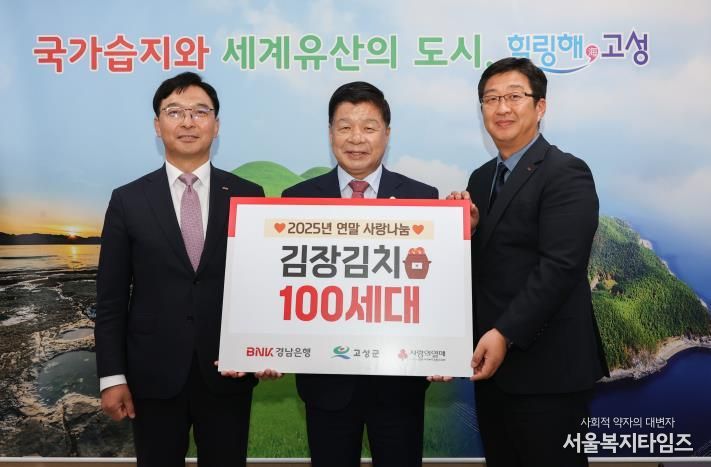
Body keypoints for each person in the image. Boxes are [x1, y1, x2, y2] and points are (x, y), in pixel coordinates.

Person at [94, 72, 265, 467]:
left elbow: (259, 288)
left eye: (200, 112)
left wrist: (258, 349)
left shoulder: (248, 195)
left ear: (216, 125)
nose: (188, 122)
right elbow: (111, 299)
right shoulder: (128, 200)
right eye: (175, 112)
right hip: (152, 376)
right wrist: (112, 377)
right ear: (158, 125)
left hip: (227, 373)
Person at [448, 57, 609, 467]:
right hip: (494, 373)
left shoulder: (566, 172)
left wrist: (504, 334)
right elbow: (491, 263)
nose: (502, 108)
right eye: (491, 99)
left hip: (549, 373)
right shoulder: (480, 178)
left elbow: (560, 267)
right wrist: (467, 232)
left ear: (540, 107)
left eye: (514, 96)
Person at [282, 81, 439, 467]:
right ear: (330, 133)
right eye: (345, 127)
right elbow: (282, 287)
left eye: (369, 127)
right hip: (326, 386)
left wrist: (443, 352)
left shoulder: (423, 198)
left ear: (387, 133)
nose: (356, 138)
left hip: (399, 384)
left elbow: (435, 288)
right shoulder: (297, 200)